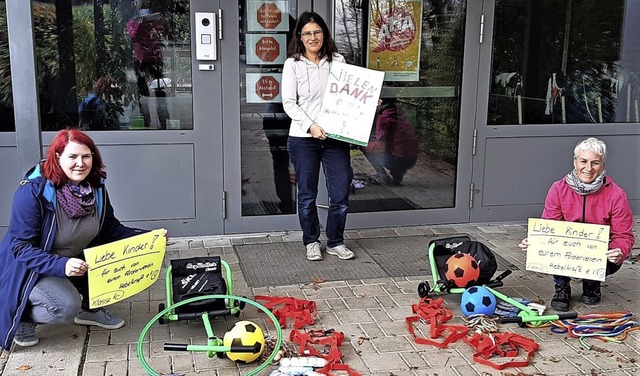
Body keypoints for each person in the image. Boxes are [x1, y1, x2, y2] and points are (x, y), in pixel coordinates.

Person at [0, 128, 163, 350]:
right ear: (57, 158)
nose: (80, 163)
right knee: (65, 306)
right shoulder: (33, 192)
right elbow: (21, 248)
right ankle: (22, 316)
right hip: (32, 267)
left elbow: (110, 230)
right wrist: (62, 265)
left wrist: (149, 237)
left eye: (86, 156)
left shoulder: (94, 188)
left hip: (75, 259)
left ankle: (90, 310)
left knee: (113, 274)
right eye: (72, 156)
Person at [519, 137, 634, 311]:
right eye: (583, 161)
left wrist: (619, 250)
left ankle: (592, 283)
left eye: (595, 163)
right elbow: (550, 225)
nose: (588, 168)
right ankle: (562, 286)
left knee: (612, 256)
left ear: (603, 165)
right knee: (554, 245)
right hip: (567, 249)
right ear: (575, 162)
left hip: (599, 252)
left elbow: (624, 234)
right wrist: (536, 241)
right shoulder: (558, 189)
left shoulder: (617, 195)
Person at [282, 11, 355, 261]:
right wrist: (311, 125)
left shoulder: (338, 60)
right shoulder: (293, 64)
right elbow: (289, 103)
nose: (313, 37)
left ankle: (335, 241)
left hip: (335, 138)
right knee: (307, 195)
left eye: (317, 32)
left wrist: (366, 104)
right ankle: (311, 241)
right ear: (300, 37)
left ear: (324, 34)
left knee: (340, 193)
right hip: (304, 139)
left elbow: (348, 96)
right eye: (307, 33)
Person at [127, 0, 171, 129]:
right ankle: (146, 121)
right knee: (142, 92)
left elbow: (166, 34)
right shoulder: (133, 22)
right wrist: (140, 23)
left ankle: (164, 121)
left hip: (155, 58)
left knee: (159, 90)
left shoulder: (155, 23)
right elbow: (132, 36)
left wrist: (160, 22)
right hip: (140, 59)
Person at [364, 98, 419, 185]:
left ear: (380, 102)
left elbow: (380, 144)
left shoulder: (384, 118)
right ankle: (397, 176)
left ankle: (382, 176)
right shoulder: (400, 114)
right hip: (412, 158)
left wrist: (361, 145)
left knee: (367, 145)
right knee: (397, 145)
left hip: (398, 159)